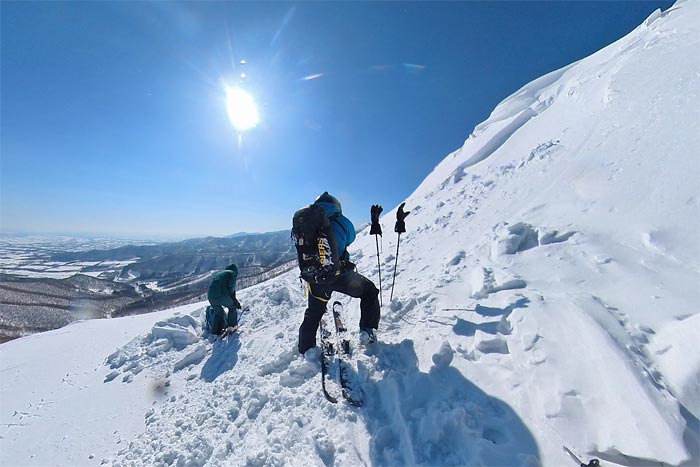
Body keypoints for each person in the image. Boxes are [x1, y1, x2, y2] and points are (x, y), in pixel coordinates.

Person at [298, 192, 380, 354]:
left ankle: (305, 348)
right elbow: (351, 238)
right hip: (341, 276)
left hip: (315, 277)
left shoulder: (306, 222)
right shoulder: (341, 221)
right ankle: (367, 331)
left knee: (313, 313)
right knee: (369, 291)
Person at [206, 263, 242, 335]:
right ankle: (232, 327)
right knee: (232, 307)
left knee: (218, 313)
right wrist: (235, 301)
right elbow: (231, 288)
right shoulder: (232, 274)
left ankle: (215, 331)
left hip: (211, 297)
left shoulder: (221, 274)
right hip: (221, 295)